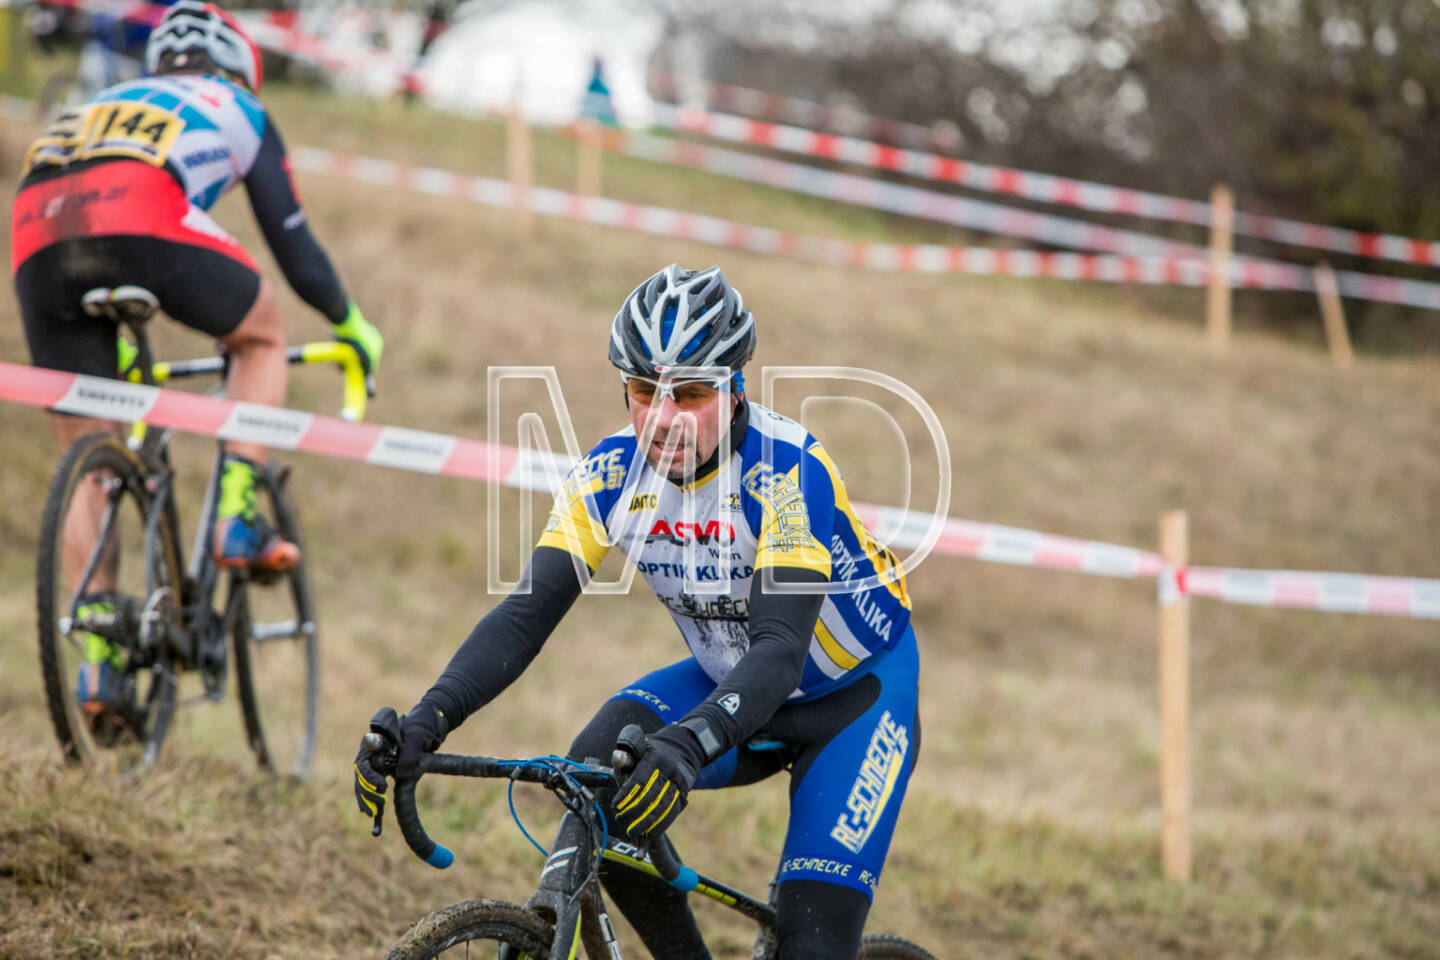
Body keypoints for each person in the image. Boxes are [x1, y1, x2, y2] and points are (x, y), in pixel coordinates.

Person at [354, 264, 921, 959]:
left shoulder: (788, 472)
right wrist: (430, 716)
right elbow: (527, 614)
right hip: (733, 684)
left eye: (688, 394)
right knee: (599, 771)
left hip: (852, 701)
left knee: (812, 943)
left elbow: (779, 649)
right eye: (643, 391)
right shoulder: (609, 475)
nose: (663, 418)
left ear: (734, 390)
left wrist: (690, 740)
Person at [10, 1, 384, 733]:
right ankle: (237, 516)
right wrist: (351, 325)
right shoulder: (237, 104)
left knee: (93, 465)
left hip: (36, 233)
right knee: (260, 337)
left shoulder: (104, 99)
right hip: (137, 214)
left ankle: (99, 665)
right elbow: (295, 246)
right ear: (244, 66)